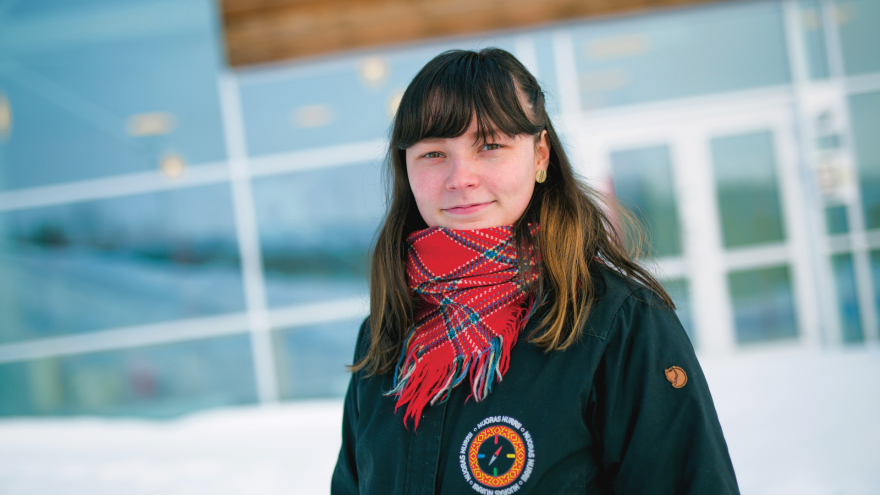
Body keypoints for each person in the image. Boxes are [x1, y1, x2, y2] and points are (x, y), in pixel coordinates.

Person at [331, 48, 739, 495]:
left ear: (540, 155)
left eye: (490, 145)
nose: (460, 177)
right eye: (433, 153)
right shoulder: (386, 334)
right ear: (406, 168)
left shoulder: (618, 322)